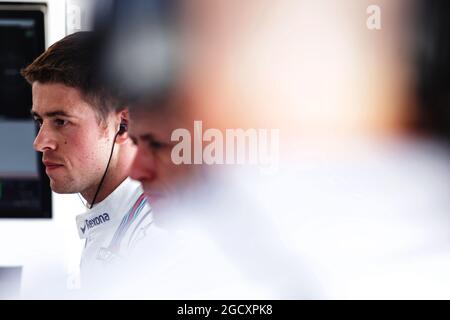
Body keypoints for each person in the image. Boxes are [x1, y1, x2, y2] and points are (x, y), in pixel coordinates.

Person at [21, 31, 154, 286]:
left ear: (123, 125)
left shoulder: (157, 233)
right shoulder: (115, 216)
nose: (40, 143)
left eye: (61, 121)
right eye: (40, 121)